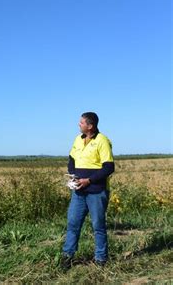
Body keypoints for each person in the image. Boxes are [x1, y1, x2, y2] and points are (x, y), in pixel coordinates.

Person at [61, 112, 115, 270]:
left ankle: (100, 259)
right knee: (73, 224)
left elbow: (109, 167)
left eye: (81, 122)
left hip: (96, 192)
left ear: (90, 126)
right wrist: (73, 175)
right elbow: (71, 159)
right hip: (78, 192)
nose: (79, 124)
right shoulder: (78, 139)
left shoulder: (102, 141)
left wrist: (89, 181)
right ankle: (67, 256)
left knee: (98, 226)